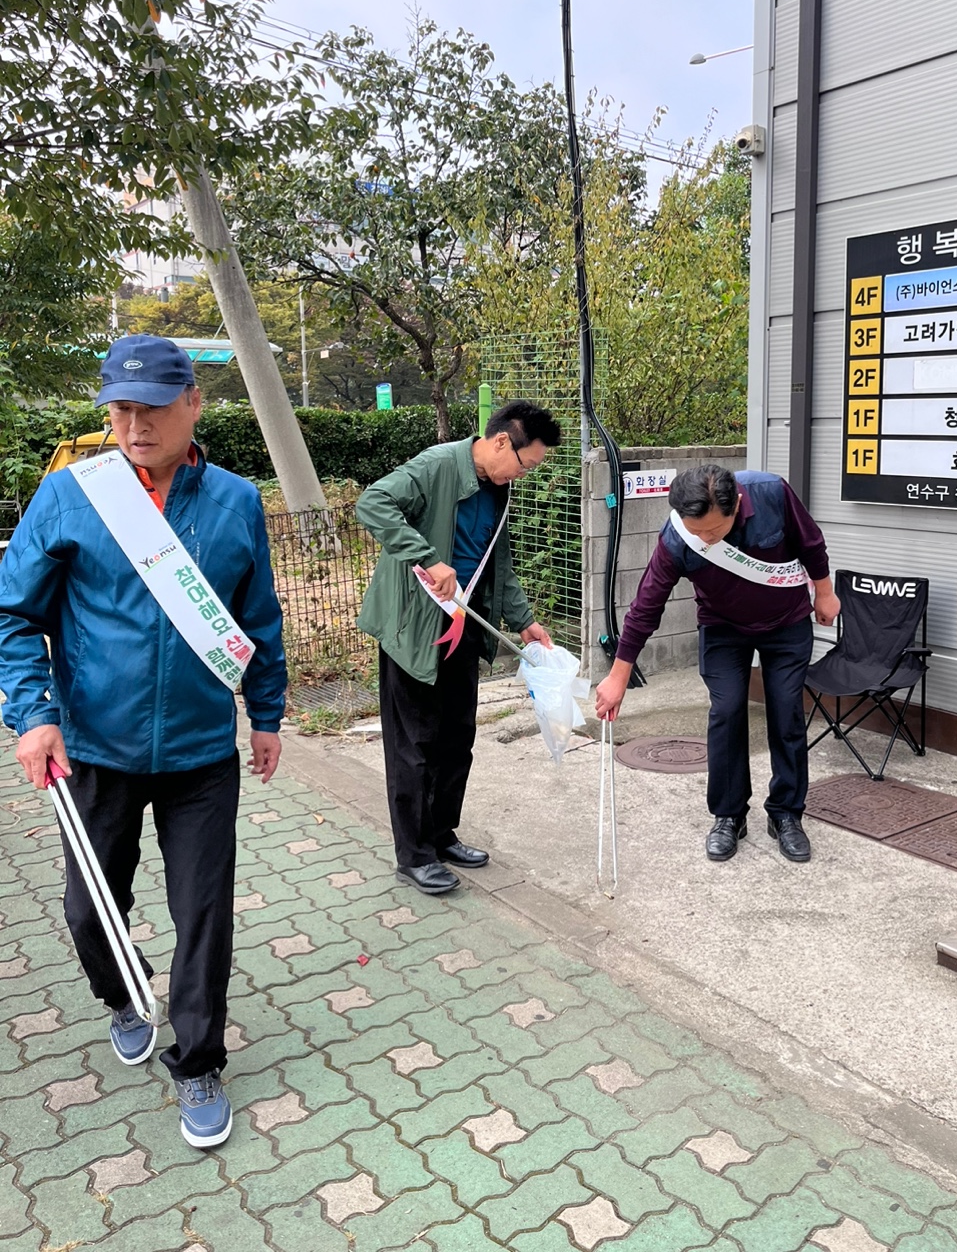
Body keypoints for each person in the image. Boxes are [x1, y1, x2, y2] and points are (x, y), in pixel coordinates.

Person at [0, 334, 287, 1149]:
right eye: (120, 409)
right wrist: (34, 712)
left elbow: (256, 618)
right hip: (94, 749)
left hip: (201, 752)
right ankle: (123, 995)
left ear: (193, 403)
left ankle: (197, 1059)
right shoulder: (69, 497)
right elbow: (14, 613)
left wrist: (265, 714)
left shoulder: (234, 501)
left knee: (203, 915)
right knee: (90, 911)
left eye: (152, 407)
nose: (134, 426)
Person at [357, 400, 561, 895]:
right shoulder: (436, 465)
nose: (525, 473)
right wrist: (428, 557)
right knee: (413, 743)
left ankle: (442, 834)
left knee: (456, 737)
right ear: (499, 442)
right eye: (526, 463)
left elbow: (499, 561)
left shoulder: (499, 488)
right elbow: (372, 503)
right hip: (414, 625)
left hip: (464, 624)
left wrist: (525, 620)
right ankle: (414, 855)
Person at [595, 465, 840, 863]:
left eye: (713, 531)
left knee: (786, 712)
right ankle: (729, 815)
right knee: (725, 712)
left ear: (737, 505)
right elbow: (646, 605)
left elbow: (811, 544)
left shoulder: (771, 494)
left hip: (786, 623)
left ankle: (787, 814)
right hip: (723, 627)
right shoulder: (678, 536)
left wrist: (825, 594)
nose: (705, 539)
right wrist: (619, 675)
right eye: (697, 532)